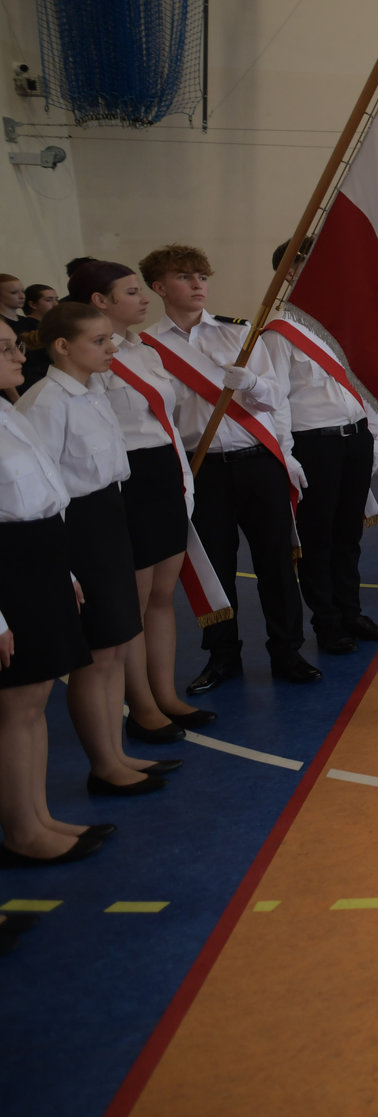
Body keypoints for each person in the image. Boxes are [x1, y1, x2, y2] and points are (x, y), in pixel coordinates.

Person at [140, 244, 315, 693]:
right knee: (214, 567)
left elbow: (275, 397)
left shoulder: (238, 333)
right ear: (159, 287)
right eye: (184, 276)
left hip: (257, 462)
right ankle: (222, 657)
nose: (198, 284)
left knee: (276, 562)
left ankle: (287, 650)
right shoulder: (147, 348)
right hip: (203, 469)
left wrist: (252, 383)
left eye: (202, 276)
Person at [16, 304, 165, 797]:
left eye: (109, 339)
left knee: (118, 644)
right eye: (99, 341)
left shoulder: (92, 390)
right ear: (63, 346)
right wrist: (65, 564)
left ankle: (117, 753)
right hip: (77, 529)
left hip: (108, 518)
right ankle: (103, 765)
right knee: (98, 651)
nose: (111, 348)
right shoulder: (46, 403)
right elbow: (47, 488)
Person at [70, 259, 218, 738]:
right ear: (100, 301)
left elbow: (166, 421)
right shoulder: (91, 361)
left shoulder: (144, 350)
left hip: (162, 475)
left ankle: (165, 694)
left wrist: (182, 480)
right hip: (126, 481)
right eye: (131, 291)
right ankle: (142, 706)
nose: (143, 299)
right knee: (131, 602)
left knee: (161, 597)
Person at [263, 241, 378, 657]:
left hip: (354, 437)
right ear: (289, 273)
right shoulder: (279, 333)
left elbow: (362, 385)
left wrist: (372, 436)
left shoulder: (341, 321)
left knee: (348, 536)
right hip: (313, 445)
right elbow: (276, 401)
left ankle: (351, 613)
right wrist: (287, 455)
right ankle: (327, 624)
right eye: (307, 265)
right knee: (317, 539)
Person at [0, 326, 100, 865]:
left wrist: (63, 571)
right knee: (15, 705)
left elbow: (45, 496)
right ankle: (22, 832)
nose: (20, 355)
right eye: (5, 349)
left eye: (16, 345)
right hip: (9, 569)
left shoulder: (8, 411)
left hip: (39, 560)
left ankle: (38, 816)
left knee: (35, 699)